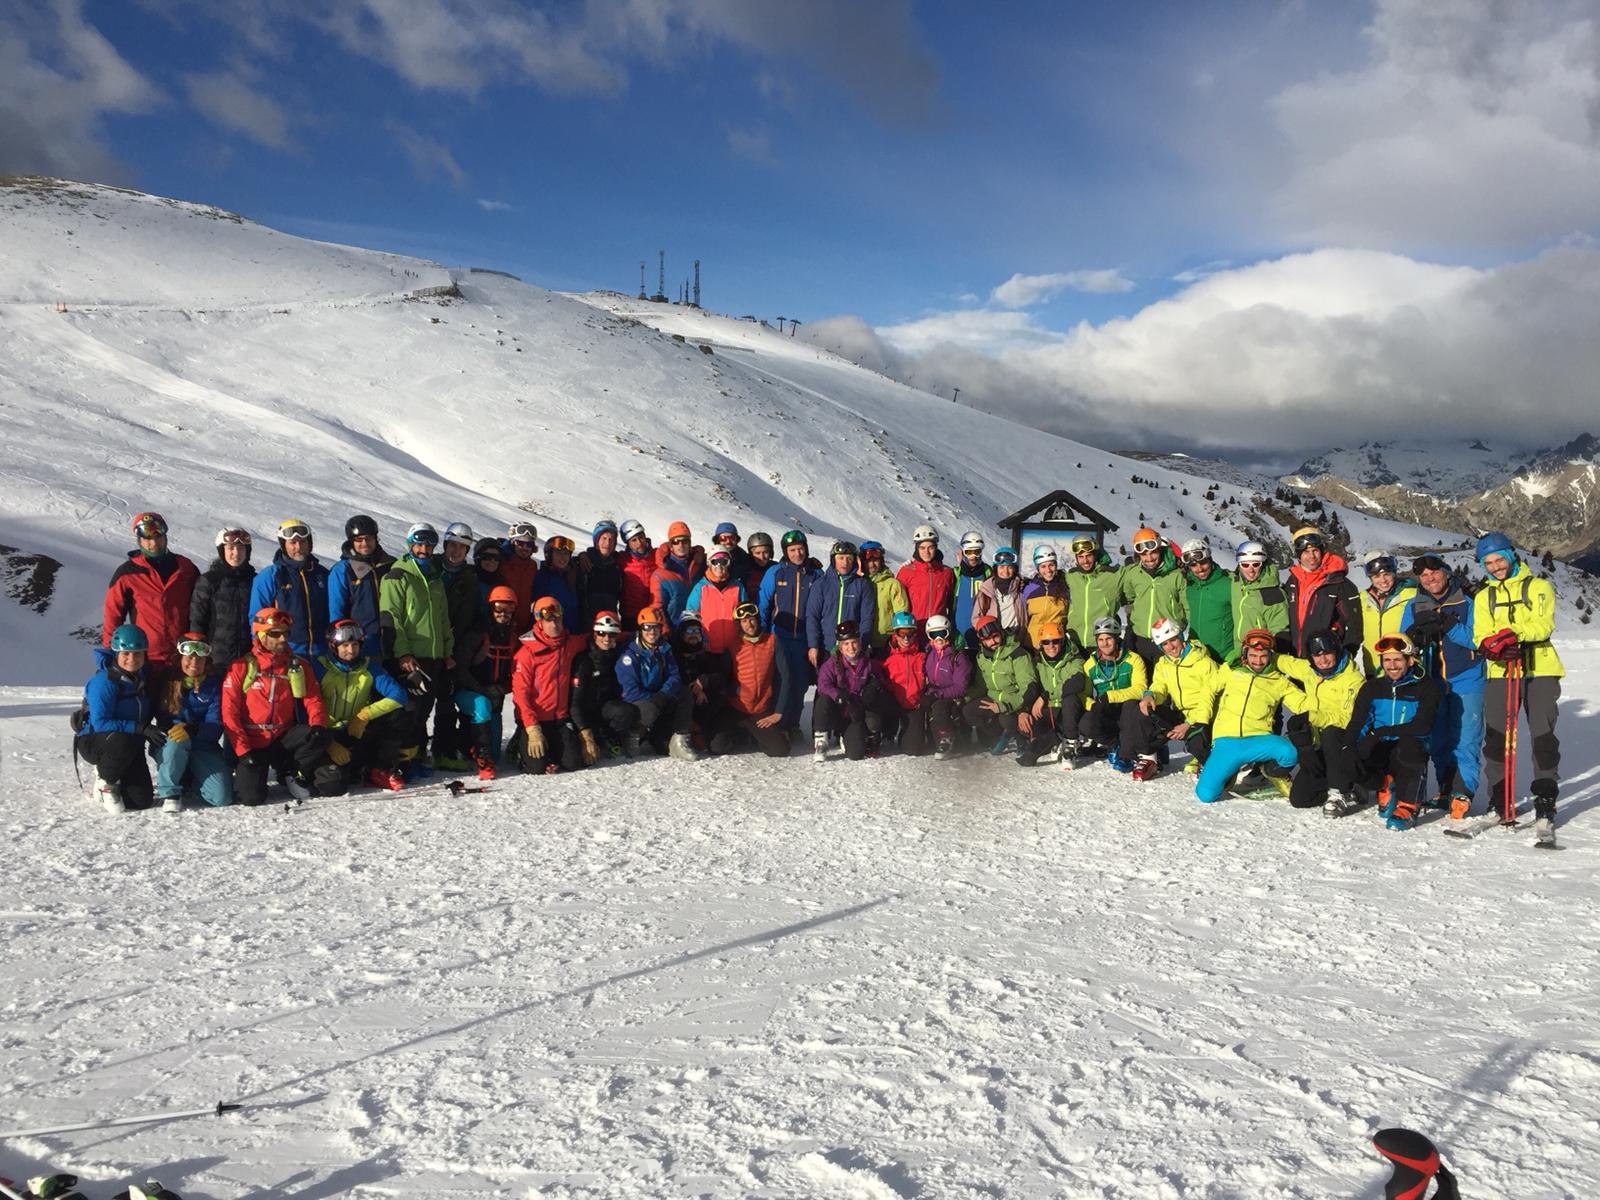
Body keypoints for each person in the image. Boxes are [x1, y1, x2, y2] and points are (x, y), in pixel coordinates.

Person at [1473, 531, 1563, 838]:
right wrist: (1489, 645)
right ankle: (1500, 801)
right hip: (1500, 672)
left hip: (1539, 669)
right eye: (1489, 563)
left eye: (1500, 559)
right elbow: (1480, 632)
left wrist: (1511, 635)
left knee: (1542, 737)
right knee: (1497, 739)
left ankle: (1545, 801)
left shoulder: (1538, 587)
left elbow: (1543, 624)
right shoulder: (1484, 595)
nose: (1496, 566)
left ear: (1512, 555)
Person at [222, 606, 331, 805]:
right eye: (275, 634)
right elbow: (230, 713)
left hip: (282, 737)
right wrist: (243, 751)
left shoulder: (297, 665)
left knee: (317, 734)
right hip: (253, 741)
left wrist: (318, 724)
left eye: (285, 633)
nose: (282, 639)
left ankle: (291, 772)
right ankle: (245, 771)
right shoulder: (242, 666)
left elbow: (313, 699)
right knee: (251, 798)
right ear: (260, 635)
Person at [1404, 552, 1484, 815]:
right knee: (1438, 739)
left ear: (1446, 572)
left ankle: (1463, 791)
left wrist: (1447, 624)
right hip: (1432, 681)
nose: (1430, 578)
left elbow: (1477, 640)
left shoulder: (1467, 601)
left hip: (1467, 678)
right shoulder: (1414, 606)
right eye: (1424, 576)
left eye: (1434, 572)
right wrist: (1413, 637)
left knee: (1465, 737)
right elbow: (1405, 645)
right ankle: (1446, 788)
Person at [1193, 629, 1305, 804]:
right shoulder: (1230, 670)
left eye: (1263, 656)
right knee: (1206, 795)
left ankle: (1269, 770)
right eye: (1253, 655)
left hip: (1259, 740)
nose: (1258, 661)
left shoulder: (1279, 681)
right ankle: (1231, 772)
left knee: (1290, 752)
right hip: (1227, 740)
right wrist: (1201, 721)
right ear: (1245, 653)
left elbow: (1303, 705)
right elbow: (1208, 689)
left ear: (1270, 655)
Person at [379, 523, 454, 777]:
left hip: (432, 655)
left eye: (429, 545)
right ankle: (399, 762)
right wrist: (403, 653)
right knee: (408, 711)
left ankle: (416, 756)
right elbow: (392, 617)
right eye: (419, 544)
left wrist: (446, 650)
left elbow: (442, 618)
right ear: (410, 544)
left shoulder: (434, 577)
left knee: (423, 711)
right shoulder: (397, 576)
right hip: (411, 656)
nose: (424, 550)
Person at [1348, 634, 1441, 830]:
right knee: (1351, 755)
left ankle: (1408, 806)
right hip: (1381, 746)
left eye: (1398, 659)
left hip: (1408, 746)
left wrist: (1380, 732)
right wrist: (1349, 747)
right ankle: (1384, 784)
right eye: (1387, 660)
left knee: (1410, 746)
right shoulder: (1372, 687)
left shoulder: (1426, 687)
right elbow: (1358, 721)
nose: (1392, 665)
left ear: (1410, 660)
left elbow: (1422, 726)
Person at [314, 617, 410, 793]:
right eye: (345, 646)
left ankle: (379, 769)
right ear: (333, 646)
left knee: (397, 715)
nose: (351, 651)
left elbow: (399, 695)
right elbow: (305, 708)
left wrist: (364, 715)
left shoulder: (368, 666)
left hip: (355, 729)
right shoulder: (320, 667)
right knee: (332, 786)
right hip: (328, 733)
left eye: (355, 645)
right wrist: (328, 742)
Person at [1279, 630, 1368, 815]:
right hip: (1320, 746)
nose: (1323, 660)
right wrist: (1264, 654)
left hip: (1345, 746)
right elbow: (1285, 662)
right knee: (1300, 799)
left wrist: (1313, 717)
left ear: (1336, 651)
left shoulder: (1352, 680)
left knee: (1331, 732)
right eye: (1317, 655)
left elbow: (1348, 719)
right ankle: (1349, 787)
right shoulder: (1311, 671)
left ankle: (1339, 792)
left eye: (1328, 653)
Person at [102, 511, 200, 675]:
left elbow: (201, 607)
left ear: (165, 536)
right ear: (139, 540)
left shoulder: (185, 568)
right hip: (144, 658)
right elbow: (113, 614)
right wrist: (109, 652)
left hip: (183, 657)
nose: (153, 543)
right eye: (147, 538)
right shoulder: (127, 573)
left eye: (158, 536)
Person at [76, 624, 159, 813]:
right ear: (116, 654)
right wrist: (141, 728)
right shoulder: (104, 682)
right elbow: (100, 722)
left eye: (137, 653)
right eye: (126, 654)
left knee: (140, 801)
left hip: (130, 743)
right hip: (97, 740)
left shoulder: (143, 678)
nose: (132, 659)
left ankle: (117, 774)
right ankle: (106, 780)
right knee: (122, 742)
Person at [1133, 618, 1222, 780]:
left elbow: (1209, 700)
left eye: (1173, 640)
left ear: (1181, 637)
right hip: (1182, 713)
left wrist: (1188, 724)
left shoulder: (1204, 663)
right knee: (1143, 713)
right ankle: (1149, 758)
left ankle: (1211, 764)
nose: (1170, 647)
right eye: (1164, 644)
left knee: (1196, 742)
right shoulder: (1163, 664)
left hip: (1206, 716)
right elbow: (1159, 686)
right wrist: (1149, 695)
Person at [151, 632, 231, 810]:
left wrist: (194, 729)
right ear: (180, 657)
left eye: (200, 659)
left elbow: (216, 724)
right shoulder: (166, 680)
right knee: (177, 741)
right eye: (189, 657)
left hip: (202, 744)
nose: (194, 663)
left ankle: (191, 778)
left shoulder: (213, 684)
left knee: (222, 797)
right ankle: (170, 793)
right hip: (170, 742)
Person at [510, 595, 588, 773]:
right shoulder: (527, 652)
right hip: (535, 721)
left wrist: (631, 636)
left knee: (573, 763)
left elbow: (594, 639)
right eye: (549, 620)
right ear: (539, 621)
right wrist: (532, 728)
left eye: (558, 619)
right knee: (535, 768)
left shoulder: (568, 643)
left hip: (559, 719)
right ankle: (519, 744)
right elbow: (520, 694)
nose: (555, 625)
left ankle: (552, 751)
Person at [451, 585, 522, 779]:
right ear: (490, 608)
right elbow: (460, 668)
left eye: (509, 610)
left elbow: (517, 673)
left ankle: (479, 749)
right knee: (481, 706)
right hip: (470, 692)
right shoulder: (477, 633)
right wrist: (481, 689)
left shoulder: (513, 637)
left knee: (497, 754)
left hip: (494, 698)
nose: (503, 614)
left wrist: (501, 688)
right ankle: (484, 759)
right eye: (499, 608)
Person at [615, 605, 700, 760]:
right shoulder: (629, 654)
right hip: (638, 702)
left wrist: (662, 695)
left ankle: (679, 739)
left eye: (656, 628)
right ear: (641, 629)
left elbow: (674, 676)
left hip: (659, 698)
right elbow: (629, 690)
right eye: (647, 627)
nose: (652, 632)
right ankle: (633, 736)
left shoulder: (664, 648)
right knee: (651, 708)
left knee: (684, 693)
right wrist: (655, 698)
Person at [711, 601, 793, 757]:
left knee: (780, 750)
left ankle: (754, 734)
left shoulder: (772, 641)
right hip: (737, 707)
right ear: (739, 625)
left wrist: (779, 712)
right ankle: (743, 733)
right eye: (744, 621)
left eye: (752, 619)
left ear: (757, 619)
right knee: (717, 747)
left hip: (760, 709)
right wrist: (735, 689)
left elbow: (785, 677)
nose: (749, 624)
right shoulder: (733, 645)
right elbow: (722, 678)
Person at [759, 529, 821, 730]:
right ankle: (778, 723)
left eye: (800, 549)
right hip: (780, 637)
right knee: (780, 680)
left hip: (804, 638)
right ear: (786, 551)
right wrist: (764, 635)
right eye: (792, 550)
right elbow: (763, 605)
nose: (797, 554)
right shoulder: (776, 572)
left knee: (800, 683)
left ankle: (792, 724)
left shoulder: (815, 573)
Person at [432, 522, 481, 770]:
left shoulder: (470, 577)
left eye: (462, 547)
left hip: (454, 648)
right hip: (428, 645)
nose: (456, 551)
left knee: (447, 699)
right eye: (452, 545)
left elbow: (471, 615)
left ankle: (444, 750)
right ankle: (414, 752)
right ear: (445, 545)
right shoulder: (430, 568)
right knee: (419, 702)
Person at [1075, 616, 1150, 772]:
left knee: (1130, 706)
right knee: (1086, 724)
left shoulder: (1134, 660)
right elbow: (1084, 694)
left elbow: (1140, 689)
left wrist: (1111, 696)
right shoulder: (1090, 664)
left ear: (1116, 638)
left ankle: (1127, 754)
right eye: (1100, 639)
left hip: (1128, 707)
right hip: (1106, 708)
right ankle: (1115, 744)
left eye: (1108, 638)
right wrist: (1093, 704)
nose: (1105, 643)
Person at [249, 518, 330, 659]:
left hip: (322, 654)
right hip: (286, 652)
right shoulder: (270, 576)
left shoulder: (322, 574)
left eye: (303, 541)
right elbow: (256, 618)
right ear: (283, 545)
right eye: (292, 543)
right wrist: (264, 651)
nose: (298, 547)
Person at [812, 620, 892, 761]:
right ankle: (821, 741)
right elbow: (823, 684)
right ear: (840, 647)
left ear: (859, 643)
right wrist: (838, 696)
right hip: (837, 709)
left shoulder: (868, 663)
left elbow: (881, 679)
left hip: (855, 714)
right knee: (822, 700)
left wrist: (873, 687)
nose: (851, 647)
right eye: (846, 644)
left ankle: (848, 736)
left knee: (856, 754)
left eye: (854, 642)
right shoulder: (832, 663)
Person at [964, 613, 1041, 756]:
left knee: (1005, 718)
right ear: (982, 641)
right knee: (969, 711)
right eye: (987, 639)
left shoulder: (1018, 655)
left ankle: (1020, 737)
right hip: (993, 698)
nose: (993, 642)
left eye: (995, 636)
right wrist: (965, 698)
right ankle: (1000, 735)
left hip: (1015, 701)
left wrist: (1013, 707)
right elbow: (982, 686)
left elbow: (1029, 688)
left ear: (1001, 633)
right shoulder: (982, 657)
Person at [1284, 526, 1361, 658]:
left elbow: (1355, 626)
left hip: (1326, 659)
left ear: (1322, 551)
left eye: (1315, 551)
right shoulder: (1293, 581)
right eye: (1306, 552)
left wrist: (1346, 655)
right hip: (1296, 659)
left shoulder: (1339, 583)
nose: (1312, 556)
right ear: (1298, 555)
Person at [327, 515, 396, 658]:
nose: (364, 543)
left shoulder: (391, 565)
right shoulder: (342, 570)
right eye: (359, 539)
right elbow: (336, 613)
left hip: (394, 643)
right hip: (361, 645)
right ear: (351, 541)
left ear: (376, 539)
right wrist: (344, 647)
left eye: (369, 538)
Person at [569, 610, 634, 763]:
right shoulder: (584, 660)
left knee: (627, 711)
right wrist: (585, 732)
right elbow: (574, 703)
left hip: (605, 709)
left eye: (611, 635)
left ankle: (608, 736)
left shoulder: (618, 654)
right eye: (601, 633)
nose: (606, 639)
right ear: (594, 634)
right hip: (582, 712)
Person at [188, 528, 256, 674]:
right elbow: (197, 622)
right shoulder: (209, 581)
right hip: (216, 660)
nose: (236, 553)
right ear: (222, 551)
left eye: (241, 548)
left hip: (249, 658)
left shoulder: (254, 580)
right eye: (231, 548)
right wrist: (199, 656)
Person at [1118, 527, 1187, 669]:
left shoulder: (1176, 575)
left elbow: (1187, 606)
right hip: (1140, 639)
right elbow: (1130, 598)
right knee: (1141, 684)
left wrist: (1182, 631)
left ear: (1160, 550)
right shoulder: (1134, 574)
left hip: (1168, 640)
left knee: (1166, 685)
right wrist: (1134, 620)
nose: (1149, 558)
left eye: (1153, 552)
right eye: (1144, 554)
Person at [1022, 621, 1087, 766]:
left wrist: (1045, 695)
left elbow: (1076, 683)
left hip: (1069, 709)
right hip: (1048, 709)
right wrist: (1025, 710)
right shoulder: (1038, 663)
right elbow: (1031, 686)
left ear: (1062, 641)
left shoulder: (1075, 659)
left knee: (1070, 700)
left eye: (1055, 641)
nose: (1051, 646)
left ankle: (1068, 744)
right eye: (1046, 642)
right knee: (1027, 726)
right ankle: (1054, 740)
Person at [805, 540, 876, 666]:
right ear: (834, 560)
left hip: (852, 650)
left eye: (849, 558)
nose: (845, 562)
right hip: (826, 648)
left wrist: (862, 645)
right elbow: (812, 617)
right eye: (841, 558)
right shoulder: (821, 585)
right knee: (825, 684)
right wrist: (813, 645)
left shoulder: (862, 585)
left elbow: (867, 619)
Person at [1357, 551, 1418, 674]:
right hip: (1373, 668)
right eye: (1376, 576)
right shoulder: (1362, 599)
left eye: (1387, 574)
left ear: (1394, 573)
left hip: (1402, 667)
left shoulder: (1411, 595)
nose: (1383, 580)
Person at [922, 614, 973, 759]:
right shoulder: (929, 653)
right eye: (934, 634)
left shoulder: (957, 657)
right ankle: (930, 736)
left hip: (953, 696)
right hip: (935, 692)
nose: (939, 639)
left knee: (939, 707)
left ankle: (947, 739)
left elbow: (961, 687)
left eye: (942, 633)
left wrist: (938, 694)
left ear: (949, 633)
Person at [880, 610, 930, 756]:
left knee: (914, 749)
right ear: (895, 634)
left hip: (915, 706)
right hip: (894, 704)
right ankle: (887, 730)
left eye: (910, 633)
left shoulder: (923, 655)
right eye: (902, 634)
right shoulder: (886, 655)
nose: (906, 638)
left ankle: (907, 732)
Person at [1230, 541, 1290, 654]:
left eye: (1256, 564)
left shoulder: (1272, 593)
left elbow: (1280, 630)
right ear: (1239, 565)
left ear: (1263, 563)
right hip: (1237, 651)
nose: (1251, 570)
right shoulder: (1235, 583)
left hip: (1259, 655)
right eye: (1245, 565)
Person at [1181, 538, 1234, 666]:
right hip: (1197, 656)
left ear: (1210, 558)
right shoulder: (1189, 586)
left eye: (1203, 562)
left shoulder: (1228, 584)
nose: (1200, 569)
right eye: (1193, 565)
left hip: (1223, 656)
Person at [1064, 534, 1121, 651]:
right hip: (1075, 642)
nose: (1085, 561)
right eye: (1081, 556)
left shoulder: (1112, 576)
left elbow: (1136, 574)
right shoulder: (1070, 577)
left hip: (1101, 642)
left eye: (1089, 555)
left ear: (1095, 555)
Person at [685, 547, 746, 653]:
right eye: (715, 562)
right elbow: (690, 616)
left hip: (735, 649)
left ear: (729, 564)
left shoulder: (738, 587)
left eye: (724, 561)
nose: (719, 566)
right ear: (709, 564)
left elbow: (746, 615)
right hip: (707, 648)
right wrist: (698, 642)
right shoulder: (700, 588)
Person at [897, 524, 953, 635]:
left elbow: (951, 602)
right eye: (922, 548)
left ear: (936, 548)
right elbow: (898, 603)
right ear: (917, 548)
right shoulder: (906, 571)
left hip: (938, 631)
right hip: (914, 630)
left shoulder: (946, 572)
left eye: (930, 547)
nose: (926, 552)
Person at [859, 541, 911, 651]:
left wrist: (897, 638)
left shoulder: (892, 584)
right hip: (861, 641)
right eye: (868, 561)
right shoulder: (858, 583)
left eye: (876, 561)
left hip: (886, 642)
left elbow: (901, 613)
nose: (872, 565)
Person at [578, 519, 626, 629]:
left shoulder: (618, 564)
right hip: (586, 623)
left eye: (611, 539)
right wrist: (582, 555)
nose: (607, 543)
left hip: (610, 624)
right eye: (604, 538)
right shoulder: (584, 563)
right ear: (596, 540)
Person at [1020, 545, 1069, 649]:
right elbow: (1023, 617)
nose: (1048, 570)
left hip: (1056, 643)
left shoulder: (1065, 586)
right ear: (1038, 568)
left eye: (1051, 565)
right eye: (1043, 566)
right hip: (1033, 643)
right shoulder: (1029, 589)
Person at [535, 535, 583, 635]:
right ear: (549, 555)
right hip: (551, 633)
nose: (563, 557)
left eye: (566, 554)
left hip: (572, 633)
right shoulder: (542, 577)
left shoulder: (574, 574)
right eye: (558, 553)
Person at [973, 547, 1024, 641]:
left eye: (1010, 567)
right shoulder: (986, 591)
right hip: (994, 640)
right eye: (1001, 567)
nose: (1005, 571)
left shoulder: (1021, 589)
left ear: (1015, 569)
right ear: (995, 568)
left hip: (1015, 639)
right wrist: (986, 635)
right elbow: (976, 618)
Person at [951, 531, 991, 646]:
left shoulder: (987, 572)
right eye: (969, 552)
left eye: (977, 552)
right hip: (958, 633)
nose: (973, 556)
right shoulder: (955, 573)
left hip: (982, 631)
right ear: (963, 552)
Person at [499, 521, 540, 634]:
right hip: (501, 621)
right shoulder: (501, 561)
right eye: (520, 543)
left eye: (529, 544)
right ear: (512, 542)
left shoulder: (532, 566)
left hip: (523, 625)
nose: (525, 548)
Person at [618, 519, 656, 628]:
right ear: (628, 544)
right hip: (630, 617)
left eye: (641, 537)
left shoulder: (657, 555)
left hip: (652, 614)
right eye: (634, 540)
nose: (639, 543)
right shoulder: (622, 559)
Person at [656, 520, 706, 588]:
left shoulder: (701, 561)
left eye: (685, 541)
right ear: (671, 545)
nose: (681, 545)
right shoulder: (664, 566)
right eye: (676, 541)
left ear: (689, 543)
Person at [472, 536, 505, 606]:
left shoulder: (501, 585)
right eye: (487, 557)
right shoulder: (466, 580)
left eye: (496, 558)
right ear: (478, 558)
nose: (492, 561)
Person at [744, 531, 776, 597]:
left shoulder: (776, 569)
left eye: (765, 552)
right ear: (751, 554)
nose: (762, 557)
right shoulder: (745, 570)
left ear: (771, 553)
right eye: (757, 553)